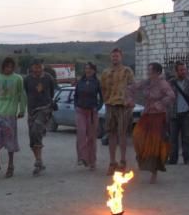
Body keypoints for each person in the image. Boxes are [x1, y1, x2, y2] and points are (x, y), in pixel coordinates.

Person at [129, 62, 175, 184]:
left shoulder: (163, 83)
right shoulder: (147, 82)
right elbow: (133, 88)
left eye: (150, 70)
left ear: (157, 72)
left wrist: (159, 103)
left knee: (154, 143)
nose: (148, 72)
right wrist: (130, 98)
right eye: (148, 70)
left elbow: (171, 96)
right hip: (147, 114)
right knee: (137, 135)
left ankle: (154, 172)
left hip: (158, 115)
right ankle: (142, 159)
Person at [0, 57, 27, 179]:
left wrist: (22, 110)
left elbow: (21, 94)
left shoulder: (18, 79)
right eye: (6, 66)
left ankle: (10, 165)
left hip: (10, 114)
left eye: (11, 67)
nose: (8, 69)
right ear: (3, 67)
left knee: (10, 141)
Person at [100, 47, 135, 175]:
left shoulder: (127, 71)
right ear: (111, 57)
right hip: (110, 105)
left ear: (121, 57)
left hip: (123, 106)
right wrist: (105, 100)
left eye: (117, 56)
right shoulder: (105, 72)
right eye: (113, 56)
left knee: (122, 134)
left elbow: (132, 86)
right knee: (111, 134)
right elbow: (102, 88)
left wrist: (130, 100)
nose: (115, 58)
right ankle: (112, 162)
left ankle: (123, 161)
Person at [23, 60, 57, 176]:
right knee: (32, 137)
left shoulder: (48, 78)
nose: (37, 70)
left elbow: (52, 93)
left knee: (36, 129)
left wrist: (48, 104)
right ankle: (39, 160)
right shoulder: (27, 79)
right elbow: (26, 92)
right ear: (32, 68)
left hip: (45, 108)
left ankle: (38, 160)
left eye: (39, 67)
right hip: (32, 110)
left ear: (42, 68)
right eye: (35, 67)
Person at [167, 61, 189, 166]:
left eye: (184, 69)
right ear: (176, 71)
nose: (183, 72)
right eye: (181, 70)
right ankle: (173, 158)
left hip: (186, 114)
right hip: (174, 114)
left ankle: (187, 158)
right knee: (173, 138)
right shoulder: (170, 83)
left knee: (186, 138)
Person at [74, 62, 102, 170]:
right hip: (80, 110)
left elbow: (102, 98)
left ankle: (92, 161)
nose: (88, 70)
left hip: (92, 112)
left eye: (90, 69)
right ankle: (82, 158)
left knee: (91, 137)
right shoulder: (80, 82)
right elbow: (76, 95)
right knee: (81, 133)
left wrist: (98, 108)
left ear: (94, 71)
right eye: (86, 68)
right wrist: (76, 105)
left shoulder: (97, 83)